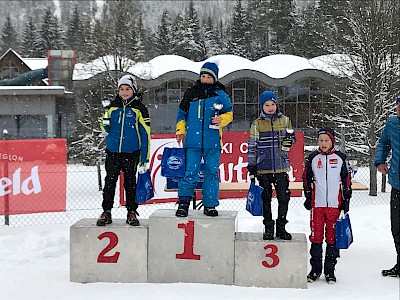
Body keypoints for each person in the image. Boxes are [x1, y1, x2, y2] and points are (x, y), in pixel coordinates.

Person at [175, 61, 233, 217]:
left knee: (211, 173)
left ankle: (210, 204)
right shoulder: (191, 93)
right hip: (192, 142)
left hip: (213, 142)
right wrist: (180, 130)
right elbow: (181, 114)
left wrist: (222, 119)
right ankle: (183, 203)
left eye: (209, 77)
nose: (205, 79)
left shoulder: (221, 95)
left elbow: (230, 113)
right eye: (203, 76)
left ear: (214, 78)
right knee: (190, 173)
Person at [96, 74, 150, 226]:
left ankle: (131, 211)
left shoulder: (140, 109)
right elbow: (106, 129)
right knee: (109, 182)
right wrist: (103, 122)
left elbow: (145, 134)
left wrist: (144, 157)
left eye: (128, 89)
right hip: (113, 151)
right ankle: (106, 211)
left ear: (133, 89)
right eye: (121, 89)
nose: (124, 92)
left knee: (130, 183)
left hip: (131, 152)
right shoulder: (112, 107)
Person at [303, 127, 352, 284]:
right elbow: (306, 178)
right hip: (317, 206)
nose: (323, 143)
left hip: (334, 206)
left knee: (332, 238)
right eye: (321, 140)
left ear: (332, 141)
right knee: (316, 237)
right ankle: (315, 269)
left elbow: (346, 180)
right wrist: (308, 195)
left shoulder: (340, 158)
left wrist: (346, 199)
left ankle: (330, 271)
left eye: (326, 140)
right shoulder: (313, 158)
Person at [247, 90, 296, 240]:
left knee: (283, 198)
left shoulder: (285, 120)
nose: (270, 107)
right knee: (265, 198)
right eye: (267, 105)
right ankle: (268, 227)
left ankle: (281, 226)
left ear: (276, 105)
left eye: (272, 104)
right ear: (262, 106)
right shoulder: (257, 123)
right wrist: (252, 164)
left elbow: (292, 138)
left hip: (281, 166)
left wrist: (290, 141)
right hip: (263, 167)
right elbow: (252, 145)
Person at [374, 95, 400, 278]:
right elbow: (383, 143)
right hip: (398, 183)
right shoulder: (392, 124)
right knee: (396, 227)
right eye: (399, 105)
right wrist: (380, 161)